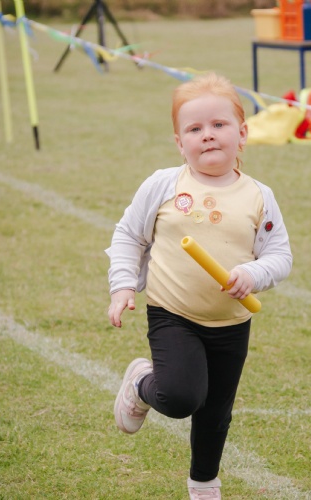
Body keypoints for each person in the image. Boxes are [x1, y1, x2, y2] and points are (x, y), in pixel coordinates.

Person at [106, 72, 292, 500]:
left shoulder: (259, 196)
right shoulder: (164, 185)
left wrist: (253, 274)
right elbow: (129, 235)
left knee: (215, 413)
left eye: (219, 124)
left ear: (242, 134)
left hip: (231, 322)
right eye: (194, 129)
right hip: (174, 314)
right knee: (179, 397)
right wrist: (122, 286)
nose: (207, 135)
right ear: (179, 142)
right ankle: (141, 384)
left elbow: (280, 256)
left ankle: (204, 483)